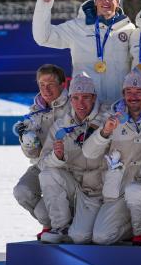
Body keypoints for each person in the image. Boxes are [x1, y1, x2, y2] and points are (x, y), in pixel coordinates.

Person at [82, 68, 141, 245]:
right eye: (129, 92)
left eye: (139, 92)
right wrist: (105, 132)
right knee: (101, 236)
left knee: (136, 191)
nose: (133, 96)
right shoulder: (109, 115)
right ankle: (132, 223)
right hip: (119, 188)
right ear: (123, 94)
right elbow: (88, 152)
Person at [33, 0, 135, 104]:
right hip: (85, 106)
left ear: (118, 2)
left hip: (118, 105)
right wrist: (43, 7)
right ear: (95, 1)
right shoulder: (77, 27)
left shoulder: (128, 29)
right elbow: (43, 37)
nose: (106, 1)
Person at [38, 73, 106, 244]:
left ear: (94, 98)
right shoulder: (62, 125)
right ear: (70, 99)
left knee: (80, 237)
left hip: (97, 192)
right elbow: (42, 162)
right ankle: (61, 226)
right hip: (73, 187)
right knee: (47, 175)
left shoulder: (107, 120)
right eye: (75, 98)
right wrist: (57, 156)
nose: (80, 103)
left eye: (85, 97)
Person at [13, 64, 71, 240]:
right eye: (41, 84)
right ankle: (50, 223)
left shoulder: (73, 105)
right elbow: (32, 154)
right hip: (42, 165)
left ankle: (64, 224)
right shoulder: (34, 112)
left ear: (62, 84)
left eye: (51, 84)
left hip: (66, 166)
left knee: (43, 208)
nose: (46, 89)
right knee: (22, 191)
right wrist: (27, 141)